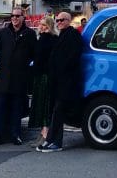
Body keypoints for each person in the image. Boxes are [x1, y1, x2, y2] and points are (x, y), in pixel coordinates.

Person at [37, 11, 83, 152]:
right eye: (57, 20)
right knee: (57, 112)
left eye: (62, 20)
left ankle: (54, 141)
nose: (59, 22)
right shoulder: (63, 35)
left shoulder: (73, 35)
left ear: (69, 20)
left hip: (66, 81)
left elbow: (73, 58)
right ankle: (53, 140)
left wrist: (61, 70)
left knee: (58, 111)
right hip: (58, 81)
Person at [0, 6, 36, 145]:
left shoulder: (29, 34)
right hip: (4, 77)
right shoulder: (4, 33)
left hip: (19, 77)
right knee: (1, 108)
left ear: (23, 18)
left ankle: (15, 134)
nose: (14, 18)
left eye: (17, 16)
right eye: (12, 16)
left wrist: (22, 62)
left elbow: (32, 53)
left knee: (17, 109)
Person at [28, 14, 57, 145]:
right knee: (41, 104)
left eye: (45, 25)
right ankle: (42, 133)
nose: (42, 27)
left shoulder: (48, 39)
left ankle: (45, 134)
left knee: (44, 105)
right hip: (40, 75)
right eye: (41, 24)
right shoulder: (44, 39)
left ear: (50, 27)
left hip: (45, 76)